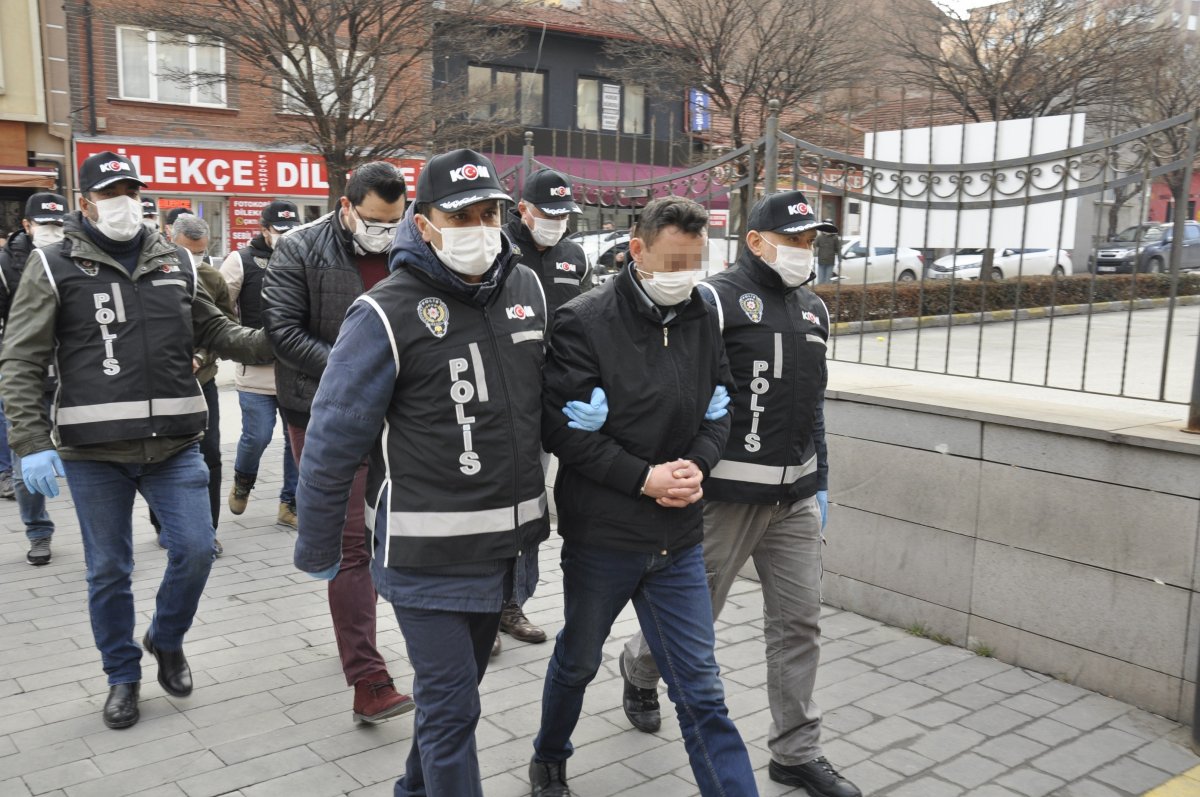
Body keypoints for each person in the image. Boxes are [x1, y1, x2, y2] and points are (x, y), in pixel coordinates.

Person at [293, 149, 550, 796]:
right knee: (454, 710)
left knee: (449, 706)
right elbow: (332, 435)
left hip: (505, 555)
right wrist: (320, 543)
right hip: (426, 559)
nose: (480, 226)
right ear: (423, 221)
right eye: (461, 214)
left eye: (489, 211)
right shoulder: (384, 311)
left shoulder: (524, 288)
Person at [0, 151, 272, 730]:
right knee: (109, 570)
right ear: (86, 202)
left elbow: (213, 327)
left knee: (197, 549)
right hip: (93, 454)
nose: (122, 200)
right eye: (110, 191)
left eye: (130, 188)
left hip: (173, 445)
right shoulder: (53, 266)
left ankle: (166, 638)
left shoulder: (173, 258)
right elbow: (21, 358)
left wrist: (279, 342)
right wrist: (28, 441)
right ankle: (121, 677)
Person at [617, 191, 860, 797]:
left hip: (795, 500)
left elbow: (814, 408)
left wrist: (821, 479)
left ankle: (795, 751)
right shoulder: (715, 301)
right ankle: (637, 667)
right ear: (755, 240)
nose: (805, 252)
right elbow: (680, 392)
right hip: (724, 498)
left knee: (799, 622)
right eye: (795, 239)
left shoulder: (813, 311)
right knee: (694, 619)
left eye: (811, 242)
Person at [530, 196, 756, 797]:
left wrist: (699, 465)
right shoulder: (584, 319)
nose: (687, 274)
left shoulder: (702, 311)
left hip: (679, 537)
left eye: (696, 260)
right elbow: (562, 429)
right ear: (637, 250)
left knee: (701, 688)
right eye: (673, 260)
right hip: (605, 535)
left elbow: (721, 404)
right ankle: (549, 756)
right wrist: (643, 478)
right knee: (577, 661)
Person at [263, 162, 413, 724]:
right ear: (346, 207)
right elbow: (283, 331)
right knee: (351, 541)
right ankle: (368, 678)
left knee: (400, 529)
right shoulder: (301, 249)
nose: (386, 231)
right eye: (375, 220)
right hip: (324, 412)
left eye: (395, 221)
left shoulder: (413, 243)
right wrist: (361, 372)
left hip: (403, 416)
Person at [494, 168, 590, 652]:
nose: (556, 223)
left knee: (532, 503)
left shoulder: (575, 256)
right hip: (502, 395)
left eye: (564, 215)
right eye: (547, 214)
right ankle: (482, 605)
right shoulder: (497, 248)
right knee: (493, 502)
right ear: (523, 209)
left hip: (555, 398)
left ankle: (512, 602)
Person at [220, 201, 301, 528]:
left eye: (291, 230)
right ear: (264, 229)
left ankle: (290, 504)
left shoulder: (305, 257)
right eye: (280, 231)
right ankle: (243, 481)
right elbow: (218, 309)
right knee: (258, 435)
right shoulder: (240, 261)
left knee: (297, 439)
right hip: (255, 370)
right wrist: (242, 341)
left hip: (296, 369)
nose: (286, 237)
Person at [0, 192, 67, 563]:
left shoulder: (76, 257)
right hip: (30, 381)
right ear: (26, 225)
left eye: (59, 224)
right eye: (45, 225)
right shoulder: (5, 265)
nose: (53, 231)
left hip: (76, 378)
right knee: (27, 466)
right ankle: (37, 530)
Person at [165, 213, 237, 555]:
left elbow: (225, 325)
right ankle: (164, 523)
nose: (192, 260)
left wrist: (203, 355)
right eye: (187, 251)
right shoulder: (150, 274)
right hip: (160, 384)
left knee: (209, 453)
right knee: (163, 455)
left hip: (201, 380)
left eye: (200, 252)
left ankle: (209, 530)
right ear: (170, 238)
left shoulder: (210, 277)